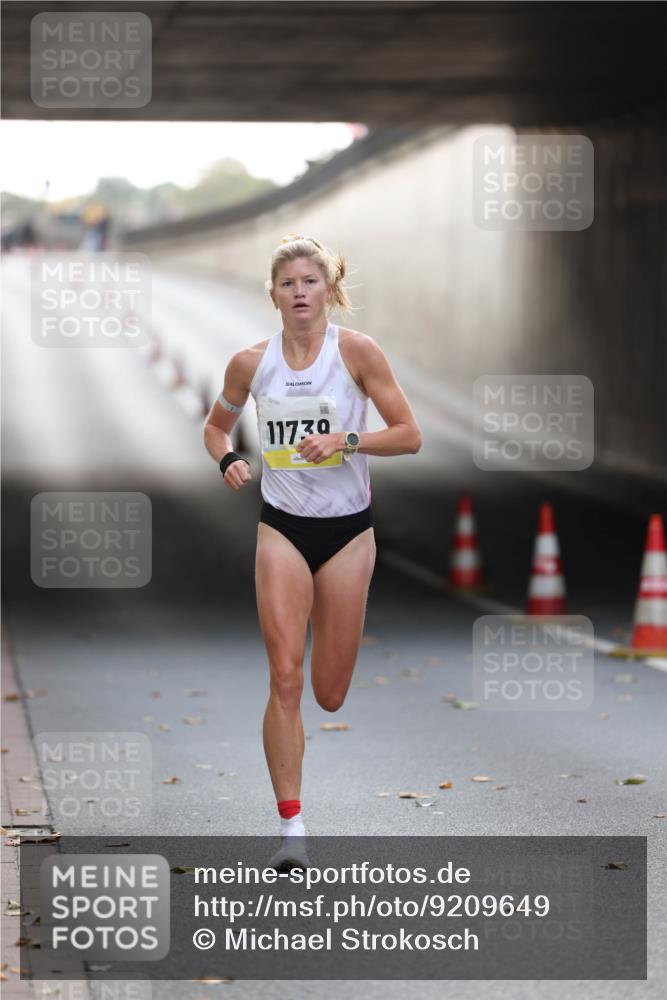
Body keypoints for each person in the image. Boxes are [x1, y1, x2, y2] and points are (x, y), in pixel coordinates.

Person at [204, 234, 422, 870]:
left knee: (329, 693)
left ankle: (295, 812)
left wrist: (346, 441)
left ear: (329, 289)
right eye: (288, 283)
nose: (299, 292)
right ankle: (291, 827)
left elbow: (409, 435)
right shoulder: (251, 363)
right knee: (285, 677)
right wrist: (227, 458)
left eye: (310, 281)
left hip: (348, 533)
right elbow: (215, 426)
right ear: (272, 294)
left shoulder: (356, 352)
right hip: (282, 528)